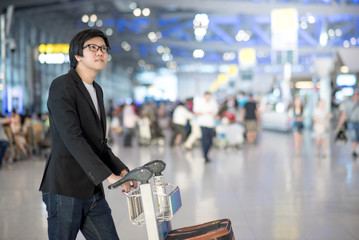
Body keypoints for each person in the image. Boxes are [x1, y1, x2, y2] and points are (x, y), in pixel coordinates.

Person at [39, 29, 137, 240]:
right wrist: (108, 176)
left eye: (103, 49)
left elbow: (100, 144)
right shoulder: (62, 86)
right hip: (65, 188)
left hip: (92, 190)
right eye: (93, 47)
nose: (100, 52)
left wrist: (122, 170)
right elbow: (73, 138)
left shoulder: (97, 90)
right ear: (77, 55)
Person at [193, 91, 219, 163]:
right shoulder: (200, 103)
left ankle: (206, 154)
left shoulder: (213, 103)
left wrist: (213, 114)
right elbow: (196, 112)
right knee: (204, 139)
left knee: (210, 140)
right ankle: (204, 155)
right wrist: (204, 113)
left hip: (211, 124)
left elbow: (215, 112)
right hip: (203, 123)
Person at [337, 91, 359, 158]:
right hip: (351, 122)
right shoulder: (348, 104)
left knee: (357, 137)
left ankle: (355, 149)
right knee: (353, 136)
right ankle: (354, 150)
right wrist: (340, 124)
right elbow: (344, 114)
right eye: (355, 96)